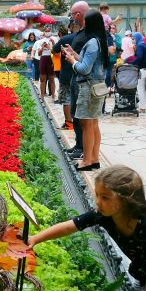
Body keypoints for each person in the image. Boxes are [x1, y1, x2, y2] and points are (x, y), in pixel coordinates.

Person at [62, 9, 109, 171]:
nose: (83, 24)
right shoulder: (100, 41)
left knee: (86, 125)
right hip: (97, 86)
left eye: (85, 22)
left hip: (88, 88)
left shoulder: (92, 42)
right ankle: (94, 158)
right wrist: (74, 54)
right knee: (93, 124)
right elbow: (90, 63)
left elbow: (84, 69)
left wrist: (71, 61)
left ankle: (87, 161)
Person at [53, 21, 80, 131]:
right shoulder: (88, 38)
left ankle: (69, 123)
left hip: (67, 74)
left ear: (71, 27)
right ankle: (79, 123)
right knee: (79, 99)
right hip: (81, 74)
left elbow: (54, 50)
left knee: (67, 99)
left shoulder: (65, 39)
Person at [126, 32, 146, 112]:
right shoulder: (145, 44)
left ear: (137, 38)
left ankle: (142, 107)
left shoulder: (140, 46)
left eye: (133, 38)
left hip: (143, 69)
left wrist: (130, 63)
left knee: (140, 87)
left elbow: (139, 57)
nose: (133, 40)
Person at [34, 28, 56, 98]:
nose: (47, 32)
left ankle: (53, 95)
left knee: (52, 79)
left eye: (48, 31)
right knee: (42, 78)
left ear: (50, 32)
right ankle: (42, 95)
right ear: (44, 32)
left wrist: (51, 46)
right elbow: (39, 53)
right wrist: (42, 48)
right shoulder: (41, 41)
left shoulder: (53, 40)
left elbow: (55, 52)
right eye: (46, 31)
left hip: (50, 59)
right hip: (43, 59)